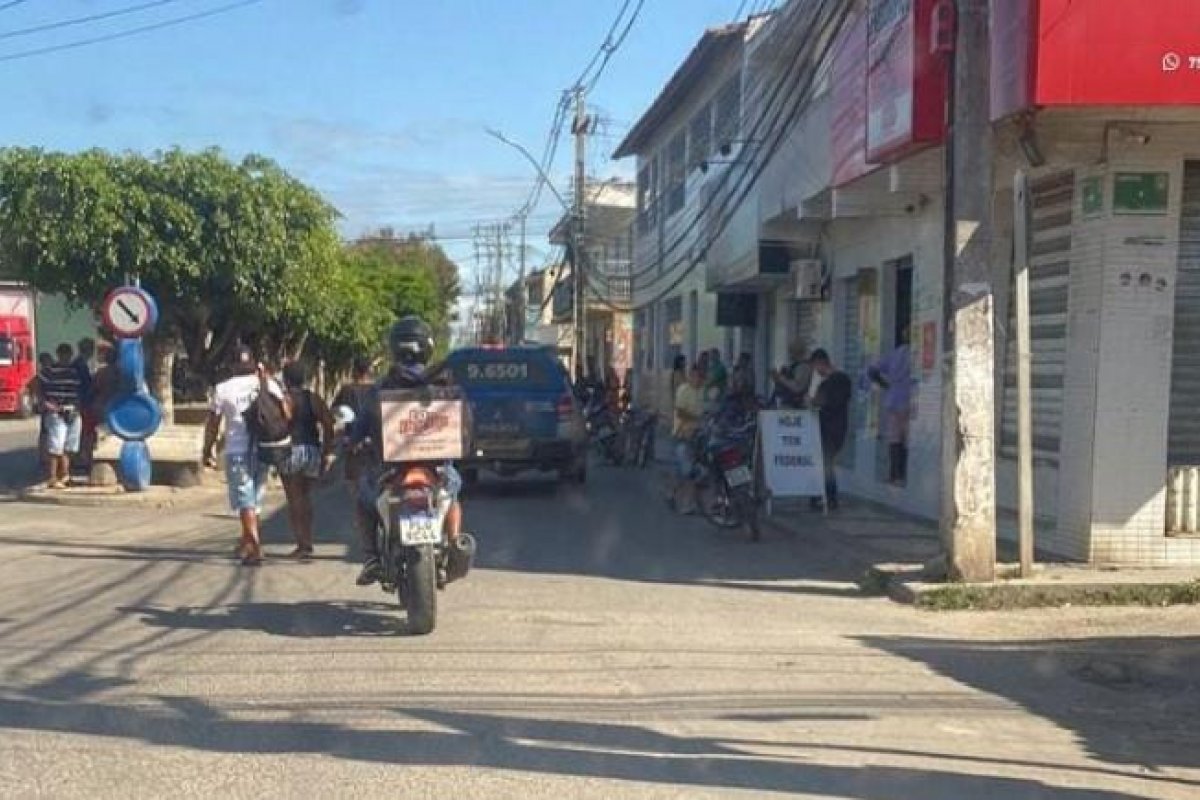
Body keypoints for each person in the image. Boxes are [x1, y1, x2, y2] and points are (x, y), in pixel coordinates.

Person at [349, 316, 466, 587]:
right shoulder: (444, 384)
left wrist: (353, 441)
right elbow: (463, 423)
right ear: (427, 347)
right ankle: (453, 543)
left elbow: (360, 427)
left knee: (363, 500)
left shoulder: (381, 387)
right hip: (436, 468)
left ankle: (371, 558)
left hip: (391, 470)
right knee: (453, 492)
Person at [202, 345, 290, 566]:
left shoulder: (222, 389)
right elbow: (287, 413)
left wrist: (207, 449)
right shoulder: (267, 383)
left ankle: (254, 548)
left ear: (232, 365)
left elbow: (213, 423)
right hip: (264, 447)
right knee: (254, 499)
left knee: (245, 500)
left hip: (237, 450)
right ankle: (247, 541)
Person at [278, 361, 335, 561]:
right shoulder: (314, 399)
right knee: (305, 498)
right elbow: (329, 423)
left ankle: (302, 544)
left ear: (285, 379)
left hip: (291, 451)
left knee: (294, 500)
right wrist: (327, 451)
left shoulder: (285, 400)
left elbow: (281, 425)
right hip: (312, 451)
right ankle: (307, 541)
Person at [867, 329, 914, 485]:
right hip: (909, 401)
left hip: (892, 400)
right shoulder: (915, 354)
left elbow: (872, 370)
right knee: (908, 439)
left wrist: (884, 384)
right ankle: (906, 475)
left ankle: (894, 475)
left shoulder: (894, 354)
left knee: (894, 439)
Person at [809, 349, 853, 511]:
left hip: (829, 428)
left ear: (820, 363)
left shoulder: (833, 381)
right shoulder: (840, 380)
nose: (816, 372)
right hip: (835, 427)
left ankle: (828, 497)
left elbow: (825, 402)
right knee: (825, 462)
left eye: (815, 367)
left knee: (825, 463)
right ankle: (822, 496)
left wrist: (814, 402)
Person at [38, 343, 83, 489]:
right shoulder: (49, 371)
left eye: (67, 354)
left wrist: (77, 406)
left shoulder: (74, 372)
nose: (65, 357)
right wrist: (46, 403)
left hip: (73, 411)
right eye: (63, 354)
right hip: (56, 412)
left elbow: (78, 391)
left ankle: (65, 475)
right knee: (56, 446)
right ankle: (52, 477)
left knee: (69, 447)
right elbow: (35, 386)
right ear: (58, 355)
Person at [669, 365, 706, 514]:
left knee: (685, 472)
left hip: (696, 435)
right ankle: (686, 505)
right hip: (683, 435)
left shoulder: (701, 392)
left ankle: (674, 495)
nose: (698, 380)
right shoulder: (684, 390)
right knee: (687, 472)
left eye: (700, 377)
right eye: (696, 377)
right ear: (691, 376)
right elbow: (680, 411)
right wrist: (697, 418)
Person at [73, 338, 97, 478]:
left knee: (84, 432)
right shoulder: (80, 365)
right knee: (85, 433)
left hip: (82, 402)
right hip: (83, 403)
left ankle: (81, 459)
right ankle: (82, 460)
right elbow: (85, 385)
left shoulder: (80, 363)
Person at [769, 341, 813, 409]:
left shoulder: (804, 367)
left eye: (792, 351)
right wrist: (776, 378)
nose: (790, 354)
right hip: (785, 404)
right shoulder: (793, 366)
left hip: (796, 407)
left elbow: (798, 387)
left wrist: (780, 377)